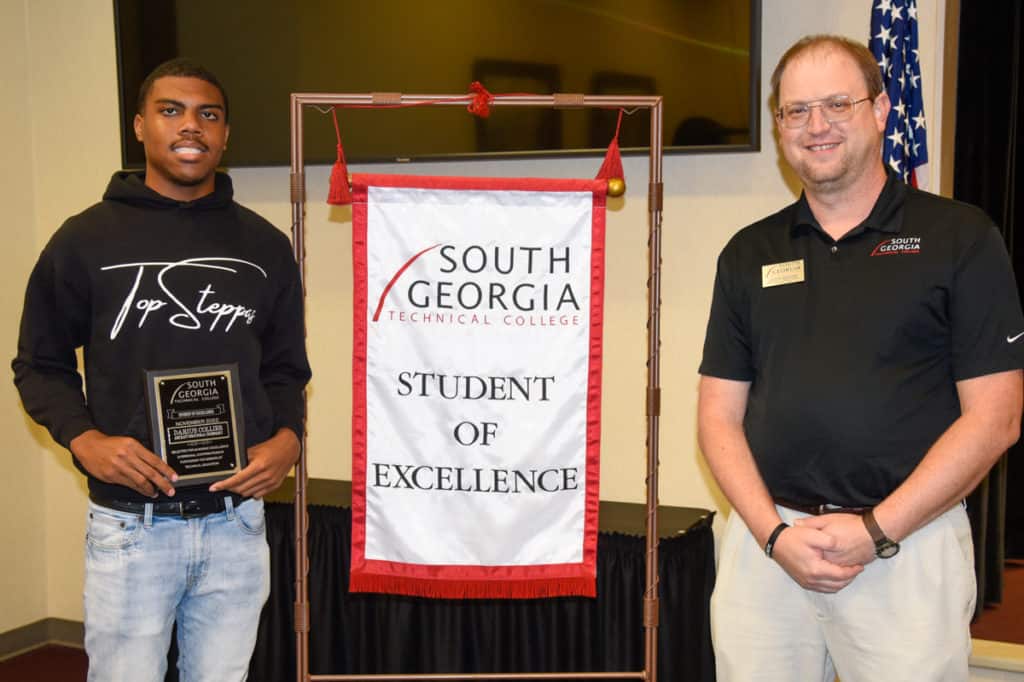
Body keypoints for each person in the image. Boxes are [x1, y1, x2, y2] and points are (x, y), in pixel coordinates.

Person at [698, 34, 1024, 681]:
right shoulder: (748, 252)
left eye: (836, 104)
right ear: (779, 127)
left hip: (906, 549)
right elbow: (716, 416)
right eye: (795, 111)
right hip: (769, 550)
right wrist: (773, 535)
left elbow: (996, 418)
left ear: (880, 111)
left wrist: (875, 529)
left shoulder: (961, 238)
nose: (815, 126)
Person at [12, 58, 311, 681]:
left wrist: (288, 437)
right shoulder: (83, 241)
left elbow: (286, 368)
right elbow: (39, 364)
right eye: (170, 110)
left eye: (209, 114)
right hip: (132, 527)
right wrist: (85, 439)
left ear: (226, 135)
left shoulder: (264, 247)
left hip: (237, 523)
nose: (191, 126)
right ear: (140, 126)